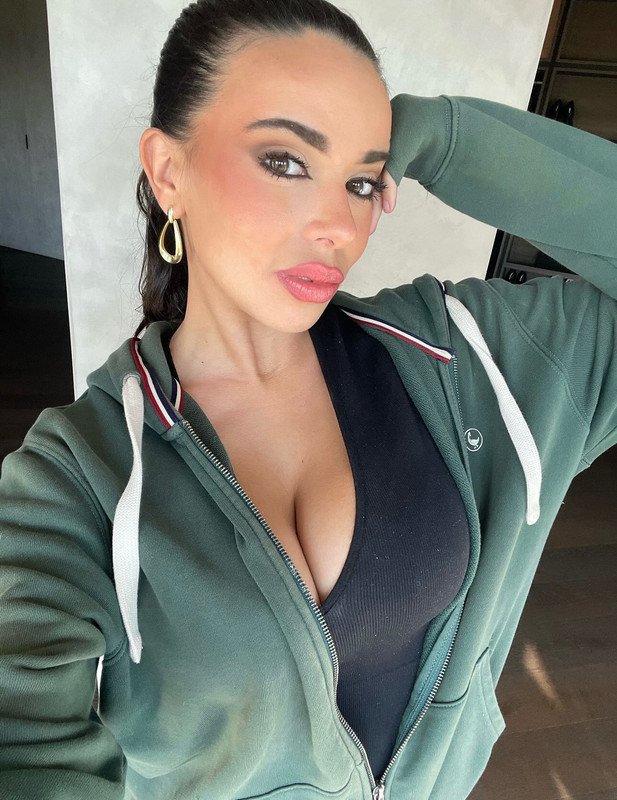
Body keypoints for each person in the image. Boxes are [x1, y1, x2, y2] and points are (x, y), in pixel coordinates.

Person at [1, 0, 615, 798]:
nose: (339, 226)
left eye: (360, 180)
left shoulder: (463, 357)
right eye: (285, 161)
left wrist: (444, 138)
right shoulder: (77, 480)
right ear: (169, 171)